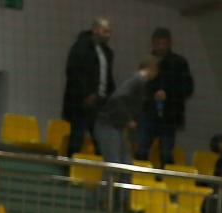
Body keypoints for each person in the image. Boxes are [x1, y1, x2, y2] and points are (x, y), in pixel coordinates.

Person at [135, 26, 193, 165]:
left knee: (166, 153)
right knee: (142, 149)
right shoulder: (147, 62)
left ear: (170, 43)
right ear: (153, 43)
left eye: (164, 43)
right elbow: (140, 86)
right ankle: (138, 177)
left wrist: (168, 94)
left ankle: (163, 177)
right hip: (149, 111)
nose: (161, 47)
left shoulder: (179, 63)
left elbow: (187, 88)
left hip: (170, 114)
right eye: (158, 43)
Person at [92, 54, 154, 179]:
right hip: (108, 124)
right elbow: (118, 98)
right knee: (114, 164)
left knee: (126, 165)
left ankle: (122, 191)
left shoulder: (138, 82)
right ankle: (106, 192)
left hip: (117, 126)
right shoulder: (137, 81)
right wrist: (128, 119)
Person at [61, 15, 114, 158]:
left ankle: (100, 169)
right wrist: (85, 94)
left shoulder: (107, 53)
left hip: (100, 103)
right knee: (77, 136)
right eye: (105, 31)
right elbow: (74, 72)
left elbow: (108, 78)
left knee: (100, 139)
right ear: (95, 30)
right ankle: (69, 167)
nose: (108, 35)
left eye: (109, 32)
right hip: (81, 103)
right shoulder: (80, 47)